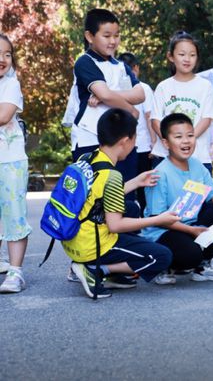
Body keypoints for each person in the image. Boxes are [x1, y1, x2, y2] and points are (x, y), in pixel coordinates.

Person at [65, 108, 179, 299]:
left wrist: (136, 182)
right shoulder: (112, 176)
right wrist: (158, 220)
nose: (135, 145)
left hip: (74, 237)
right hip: (93, 244)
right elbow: (115, 225)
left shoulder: (89, 158)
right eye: (135, 139)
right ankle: (96, 269)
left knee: (132, 208)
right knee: (162, 256)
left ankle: (97, 267)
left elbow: (98, 196)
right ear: (125, 141)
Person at [143, 113, 213, 284]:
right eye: (178, 137)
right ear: (166, 143)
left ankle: (202, 266)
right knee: (190, 255)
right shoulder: (159, 173)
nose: (186, 141)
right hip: (164, 232)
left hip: (191, 227)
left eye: (190, 135)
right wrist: (192, 231)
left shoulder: (197, 165)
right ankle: (164, 265)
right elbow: (157, 219)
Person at [69, 9, 145, 196]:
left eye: (117, 36)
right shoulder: (84, 63)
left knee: (124, 196)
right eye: (106, 35)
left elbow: (140, 94)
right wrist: (131, 111)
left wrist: (108, 94)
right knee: (93, 198)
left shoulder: (121, 66)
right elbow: (106, 94)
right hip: (90, 139)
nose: (113, 41)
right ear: (89, 36)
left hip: (121, 140)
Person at [150, 31, 213, 174]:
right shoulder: (163, 87)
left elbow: (206, 119)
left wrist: (187, 140)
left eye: (192, 55)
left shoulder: (205, 86)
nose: (187, 59)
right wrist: (171, 141)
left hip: (198, 158)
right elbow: (155, 120)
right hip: (165, 157)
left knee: (199, 196)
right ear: (171, 56)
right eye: (182, 54)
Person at [0, 34, 31, 293]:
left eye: (7, 54)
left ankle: (15, 271)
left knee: (14, 216)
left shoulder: (11, 85)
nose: (2, 59)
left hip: (9, 161)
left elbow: (4, 115)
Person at [117, 52, 156, 213]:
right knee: (143, 188)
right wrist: (154, 143)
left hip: (126, 147)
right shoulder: (143, 87)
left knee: (128, 185)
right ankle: (142, 219)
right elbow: (149, 117)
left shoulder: (116, 88)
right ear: (136, 68)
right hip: (143, 147)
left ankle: (131, 218)